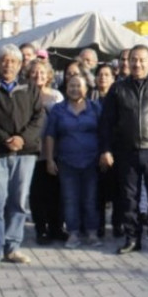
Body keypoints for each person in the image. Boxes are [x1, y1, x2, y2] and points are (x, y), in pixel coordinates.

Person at [99, 45, 148, 254]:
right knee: (128, 198)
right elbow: (106, 123)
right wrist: (106, 149)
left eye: (142, 60)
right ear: (127, 62)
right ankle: (132, 238)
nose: (137, 64)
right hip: (126, 152)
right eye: (133, 59)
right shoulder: (117, 89)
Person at [0, 44, 46, 271]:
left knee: (18, 202)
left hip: (25, 153)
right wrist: (6, 139)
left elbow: (39, 117)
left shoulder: (30, 87)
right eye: (4, 61)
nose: (8, 65)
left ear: (19, 64)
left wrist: (22, 139)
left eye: (13, 61)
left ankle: (12, 247)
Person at [44, 73, 103, 248]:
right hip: (66, 161)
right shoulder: (58, 109)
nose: (75, 89)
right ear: (66, 88)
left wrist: (104, 154)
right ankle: (73, 233)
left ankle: (92, 233)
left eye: (79, 86)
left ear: (86, 89)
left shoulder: (95, 107)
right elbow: (50, 135)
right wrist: (49, 159)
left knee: (91, 199)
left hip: (91, 161)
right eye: (72, 86)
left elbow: (103, 132)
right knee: (70, 199)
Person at [25, 58, 65, 244]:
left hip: (55, 151)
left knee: (56, 192)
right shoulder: (22, 94)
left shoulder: (56, 96)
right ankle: (40, 229)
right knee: (36, 193)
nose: (38, 75)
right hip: (32, 151)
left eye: (42, 72)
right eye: (34, 72)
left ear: (48, 75)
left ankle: (56, 227)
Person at [89, 62, 119, 237]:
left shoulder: (117, 97)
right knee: (98, 191)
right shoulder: (89, 99)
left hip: (115, 150)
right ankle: (98, 224)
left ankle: (117, 223)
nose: (103, 78)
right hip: (94, 149)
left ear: (113, 78)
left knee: (117, 190)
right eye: (100, 74)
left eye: (107, 75)